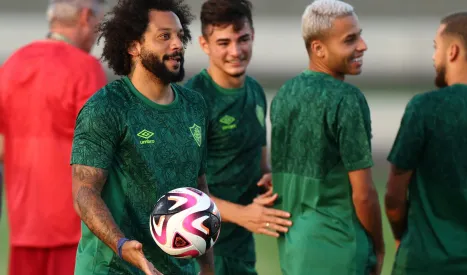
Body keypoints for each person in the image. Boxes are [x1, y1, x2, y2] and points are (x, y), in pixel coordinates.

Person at [70, 0, 215, 274]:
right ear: (133, 46)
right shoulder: (106, 107)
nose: (178, 45)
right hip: (114, 267)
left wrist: (207, 268)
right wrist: (122, 244)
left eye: (179, 36)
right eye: (164, 36)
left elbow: (199, 191)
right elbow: (84, 192)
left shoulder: (195, 106)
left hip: (176, 269)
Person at [270, 1, 385, 275]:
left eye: (360, 35)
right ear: (318, 48)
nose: (363, 45)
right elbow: (364, 194)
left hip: (293, 252)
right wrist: (379, 247)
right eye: (350, 40)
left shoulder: (284, 94)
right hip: (341, 249)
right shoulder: (347, 99)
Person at [185, 0, 292, 274]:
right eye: (223, 43)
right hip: (201, 250)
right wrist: (245, 215)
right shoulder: (192, 100)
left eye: (243, 39)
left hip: (242, 249)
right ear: (204, 44)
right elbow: (182, 191)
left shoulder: (255, 91)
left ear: (253, 36)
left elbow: (261, 164)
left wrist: (268, 182)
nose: (236, 51)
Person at [0, 0, 107, 274]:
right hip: (76, 226)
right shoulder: (85, 68)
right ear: (86, 17)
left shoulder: (11, 65)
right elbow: (103, 146)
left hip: (23, 225)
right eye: (99, 22)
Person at [385, 11, 467, 275]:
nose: (434, 57)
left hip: (423, 262)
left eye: (436, 48)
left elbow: (394, 198)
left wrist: (402, 238)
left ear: (453, 51)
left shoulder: (424, 108)